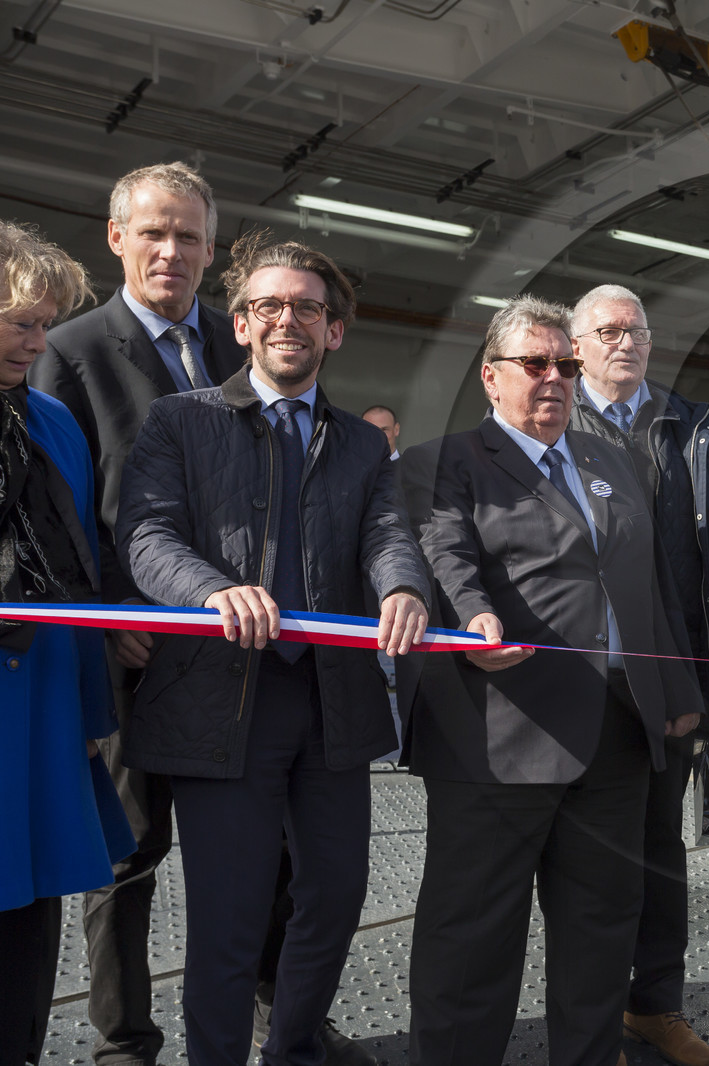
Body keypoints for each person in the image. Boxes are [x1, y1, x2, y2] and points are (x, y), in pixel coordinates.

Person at [24, 163, 379, 1066]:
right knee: (129, 859)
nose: (171, 251)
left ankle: (273, 1017)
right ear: (118, 239)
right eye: (154, 233)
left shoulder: (244, 332)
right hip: (132, 643)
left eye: (188, 236)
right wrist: (111, 616)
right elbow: (62, 507)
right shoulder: (65, 348)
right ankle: (126, 1041)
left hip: (249, 660)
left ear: (213, 249)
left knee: (269, 870)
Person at [115, 231, 431, 1066]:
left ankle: (293, 1047)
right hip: (222, 702)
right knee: (230, 914)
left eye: (306, 307)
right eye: (267, 305)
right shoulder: (179, 422)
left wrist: (403, 587)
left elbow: (389, 533)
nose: (286, 319)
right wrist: (210, 589)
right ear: (244, 323)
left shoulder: (363, 444)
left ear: (334, 331)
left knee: (335, 896)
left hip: (333, 705)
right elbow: (145, 535)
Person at [399, 295, 703, 1066]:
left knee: (601, 935)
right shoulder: (445, 464)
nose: (555, 379)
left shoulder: (615, 461)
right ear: (490, 377)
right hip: (496, 740)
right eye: (535, 365)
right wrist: (471, 617)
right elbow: (446, 557)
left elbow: (647, 583)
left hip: (618, 739)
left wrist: (677, 695)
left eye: (565, 365)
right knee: (473, 939)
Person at [567, 283, 709, 1066]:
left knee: (659, 850)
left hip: (669, 678)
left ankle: (655, 1004)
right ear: (576, 345)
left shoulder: (695, 429)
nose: (624, 341)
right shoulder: (549, 419)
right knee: (584, 863)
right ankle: (586, 1017)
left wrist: (702, 683)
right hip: (582, 683)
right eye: (606, 330)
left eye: (635, 328)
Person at [0, 221, 133, 1066]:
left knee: (31, 911)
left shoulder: (52, 421)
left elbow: (81, 565)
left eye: (46, 323)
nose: (38, 341)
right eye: (21, 322)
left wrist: (93, 710)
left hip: (43, 698)